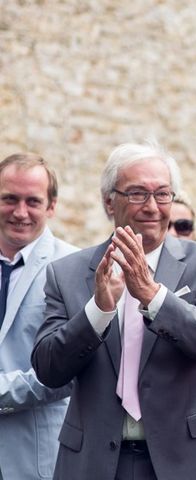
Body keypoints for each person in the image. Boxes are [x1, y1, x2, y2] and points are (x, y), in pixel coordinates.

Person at [31, 141, 196, 480]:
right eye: (136, 194)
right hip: (98, 463)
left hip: (191, 460)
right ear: (108, 201)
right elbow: (48, 368)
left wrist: (153, 296)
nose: (152, 207)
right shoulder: (66, 272)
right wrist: (98, 312)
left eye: (162, 195)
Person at [0, 153, 77, 480]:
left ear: (51, 206)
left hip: (33, 459)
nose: (20, 212)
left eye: (33, 201)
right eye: (9, 199)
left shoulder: (72, 267)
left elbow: (69, 370)